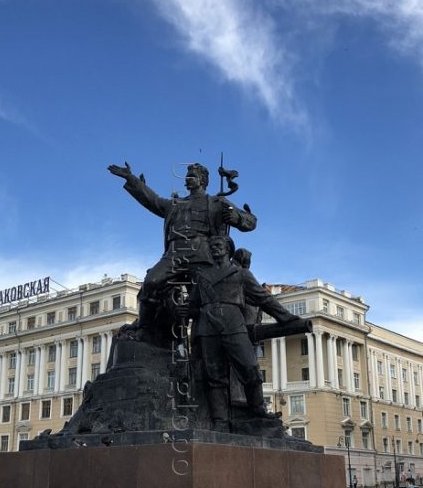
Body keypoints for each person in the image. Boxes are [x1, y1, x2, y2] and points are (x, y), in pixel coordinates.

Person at [108, 162, 257, 338]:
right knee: (150, 283)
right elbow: (152, 200)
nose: (187, 180)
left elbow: (250, 221)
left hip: (202, 255)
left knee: (206, 297)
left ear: (202, 180)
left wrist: (236, 217)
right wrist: (130, 178)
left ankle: (213, 338)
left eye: (191, 176)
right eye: (187, 177)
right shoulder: (174, 204)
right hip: (174, 254)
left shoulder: (216, 202)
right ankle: (145, 328)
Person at [188, 235, 299, 429]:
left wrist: (286, 317)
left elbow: (264, 298)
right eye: (212, 245)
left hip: (233, 324)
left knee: (250, 367)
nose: (215, 248)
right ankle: (220, 421)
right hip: (208, 327)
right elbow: (194, 305)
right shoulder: (202, 275)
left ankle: (258, 410)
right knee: (215, 377)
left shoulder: (240, 274)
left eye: (219, 245)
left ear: (228, 249)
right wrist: (184, 310)